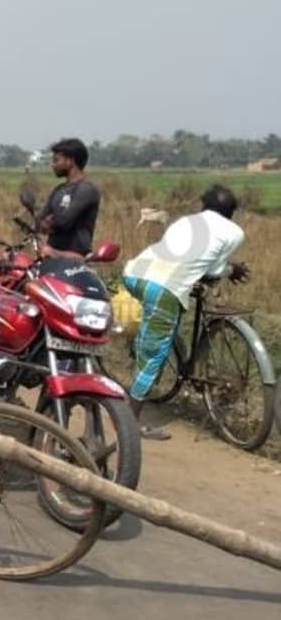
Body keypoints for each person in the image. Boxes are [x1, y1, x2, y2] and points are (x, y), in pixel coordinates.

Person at [121, 184, 247, 441]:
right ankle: (130, 422)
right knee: (153, 355)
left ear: (204, 205)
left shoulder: (185, 221)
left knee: (158, 330)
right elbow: (213, 270)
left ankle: (145, 344)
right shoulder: (234, 231)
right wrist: (232, 270)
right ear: (231, 213)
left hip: (135, 274)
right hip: (164, 288)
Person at [36, 138, 100, 258]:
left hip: (75, 258)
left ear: (70, 161)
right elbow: (39, 221)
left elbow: (64, 221)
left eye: (56, 160)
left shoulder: (86, 189)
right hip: (50, 255)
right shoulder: (58, 190)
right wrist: (45, 222)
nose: (52, 165)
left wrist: (50, 221)